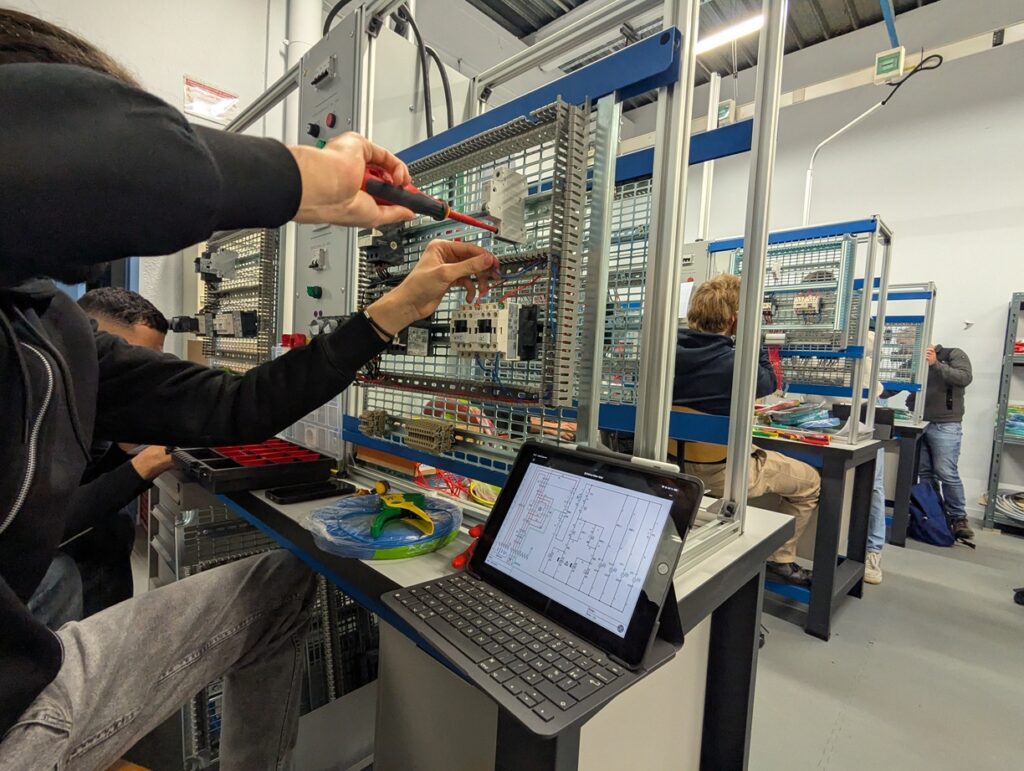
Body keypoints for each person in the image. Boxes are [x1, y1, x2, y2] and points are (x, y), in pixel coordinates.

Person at [0, 10, 497, 770]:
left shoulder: (54, 333)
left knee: (281, 584)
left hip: (24, 685)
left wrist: (395, 309)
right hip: (15, 724)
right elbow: (107, 155)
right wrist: (318, 180)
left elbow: (237, 407)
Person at [28, 288, 177, 626]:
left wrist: (122, 454)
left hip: (87, 559)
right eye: (131, 361)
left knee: (113, 524)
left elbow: (85, 484)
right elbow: (44, 526)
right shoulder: (33, 410)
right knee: (59, 574)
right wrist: (143, 464)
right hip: (32, 569)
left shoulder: (92, 402)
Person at [672, 274, 821, 586]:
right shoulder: (735, 364)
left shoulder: (666, 354)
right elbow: (770, 381)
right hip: (720, 473)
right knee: (810, 482)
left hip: (672, 466)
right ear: (734, 320)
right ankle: (781, 558)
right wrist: (754, 335)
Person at [910, 344, 974, 539]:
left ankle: (958, 518)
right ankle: (935, 515)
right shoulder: (914, 359)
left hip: (946, 424)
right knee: (925, 473)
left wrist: (935, 364)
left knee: (946, 472)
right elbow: (899, 381)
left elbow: (964, 378)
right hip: (920, 423)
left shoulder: (953, 354)